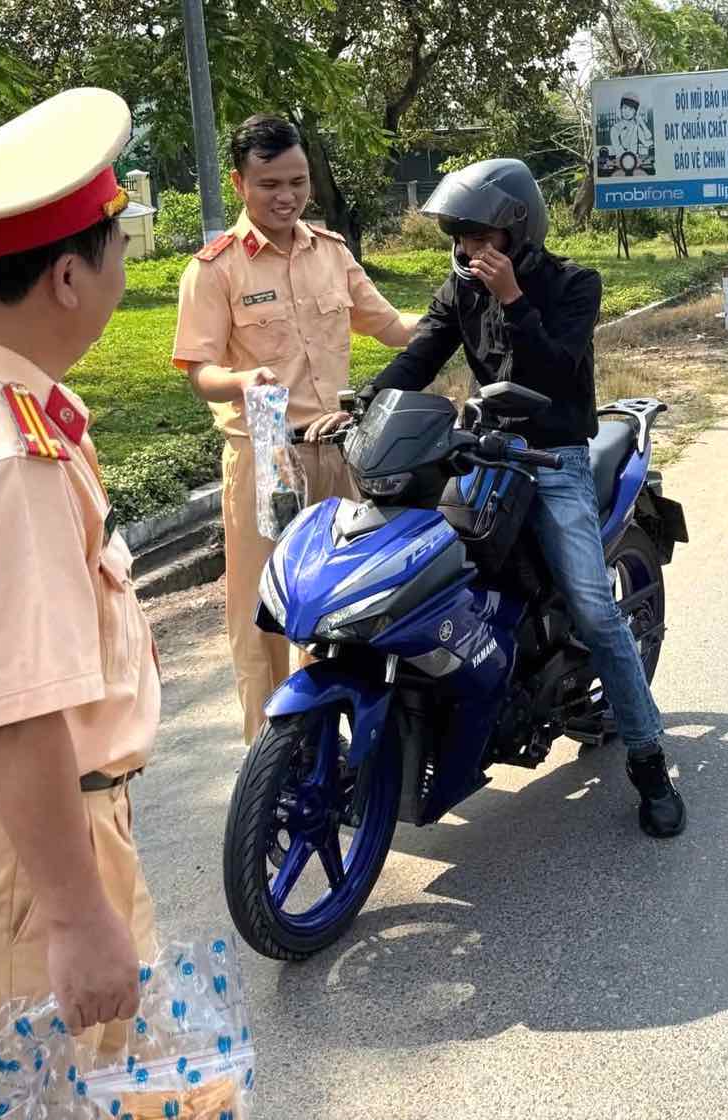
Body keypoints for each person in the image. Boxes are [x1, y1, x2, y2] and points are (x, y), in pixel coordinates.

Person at [0, 88, 161, 1120]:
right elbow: (19, 717)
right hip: (25, 866)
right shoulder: (6, 458)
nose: (122, 273)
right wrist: (75, 915)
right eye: (116, 249)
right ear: (68, 276)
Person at [364, 158, 686, 839]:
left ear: (517, 233)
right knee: (426, 576)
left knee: (598, 617)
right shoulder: (458, 290)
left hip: (556, 459)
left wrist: (513, 298)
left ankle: (650, 760)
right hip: (483, 448)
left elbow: (555, 368)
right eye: (458, 236)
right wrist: (365, 405)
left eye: (481, 237)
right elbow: (419, 358)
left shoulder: (573, 284)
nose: (467, 250)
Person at [173, 115, 419, 744]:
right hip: (264, 457)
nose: (285, 197)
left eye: (297, 181)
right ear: (239, 183)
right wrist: (241, 382)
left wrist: (466, 307)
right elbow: (199, 369)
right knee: (261, 615)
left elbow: (392, 328)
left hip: (340, 453)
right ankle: (268, 756)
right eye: (269, 184)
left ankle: (326, 745)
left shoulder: (332, 253)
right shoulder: (215, 269)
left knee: (338, 605)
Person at [610, 91, 654, 168]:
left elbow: (647, 141)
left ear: (635, 112)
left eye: (631, 109)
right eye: (625, 108)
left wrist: (642, 123)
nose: (627, 111)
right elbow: (618, 150)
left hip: (635, 162)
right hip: (620, 163)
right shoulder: (615, 129)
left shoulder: (635, 126)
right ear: (621, 109)